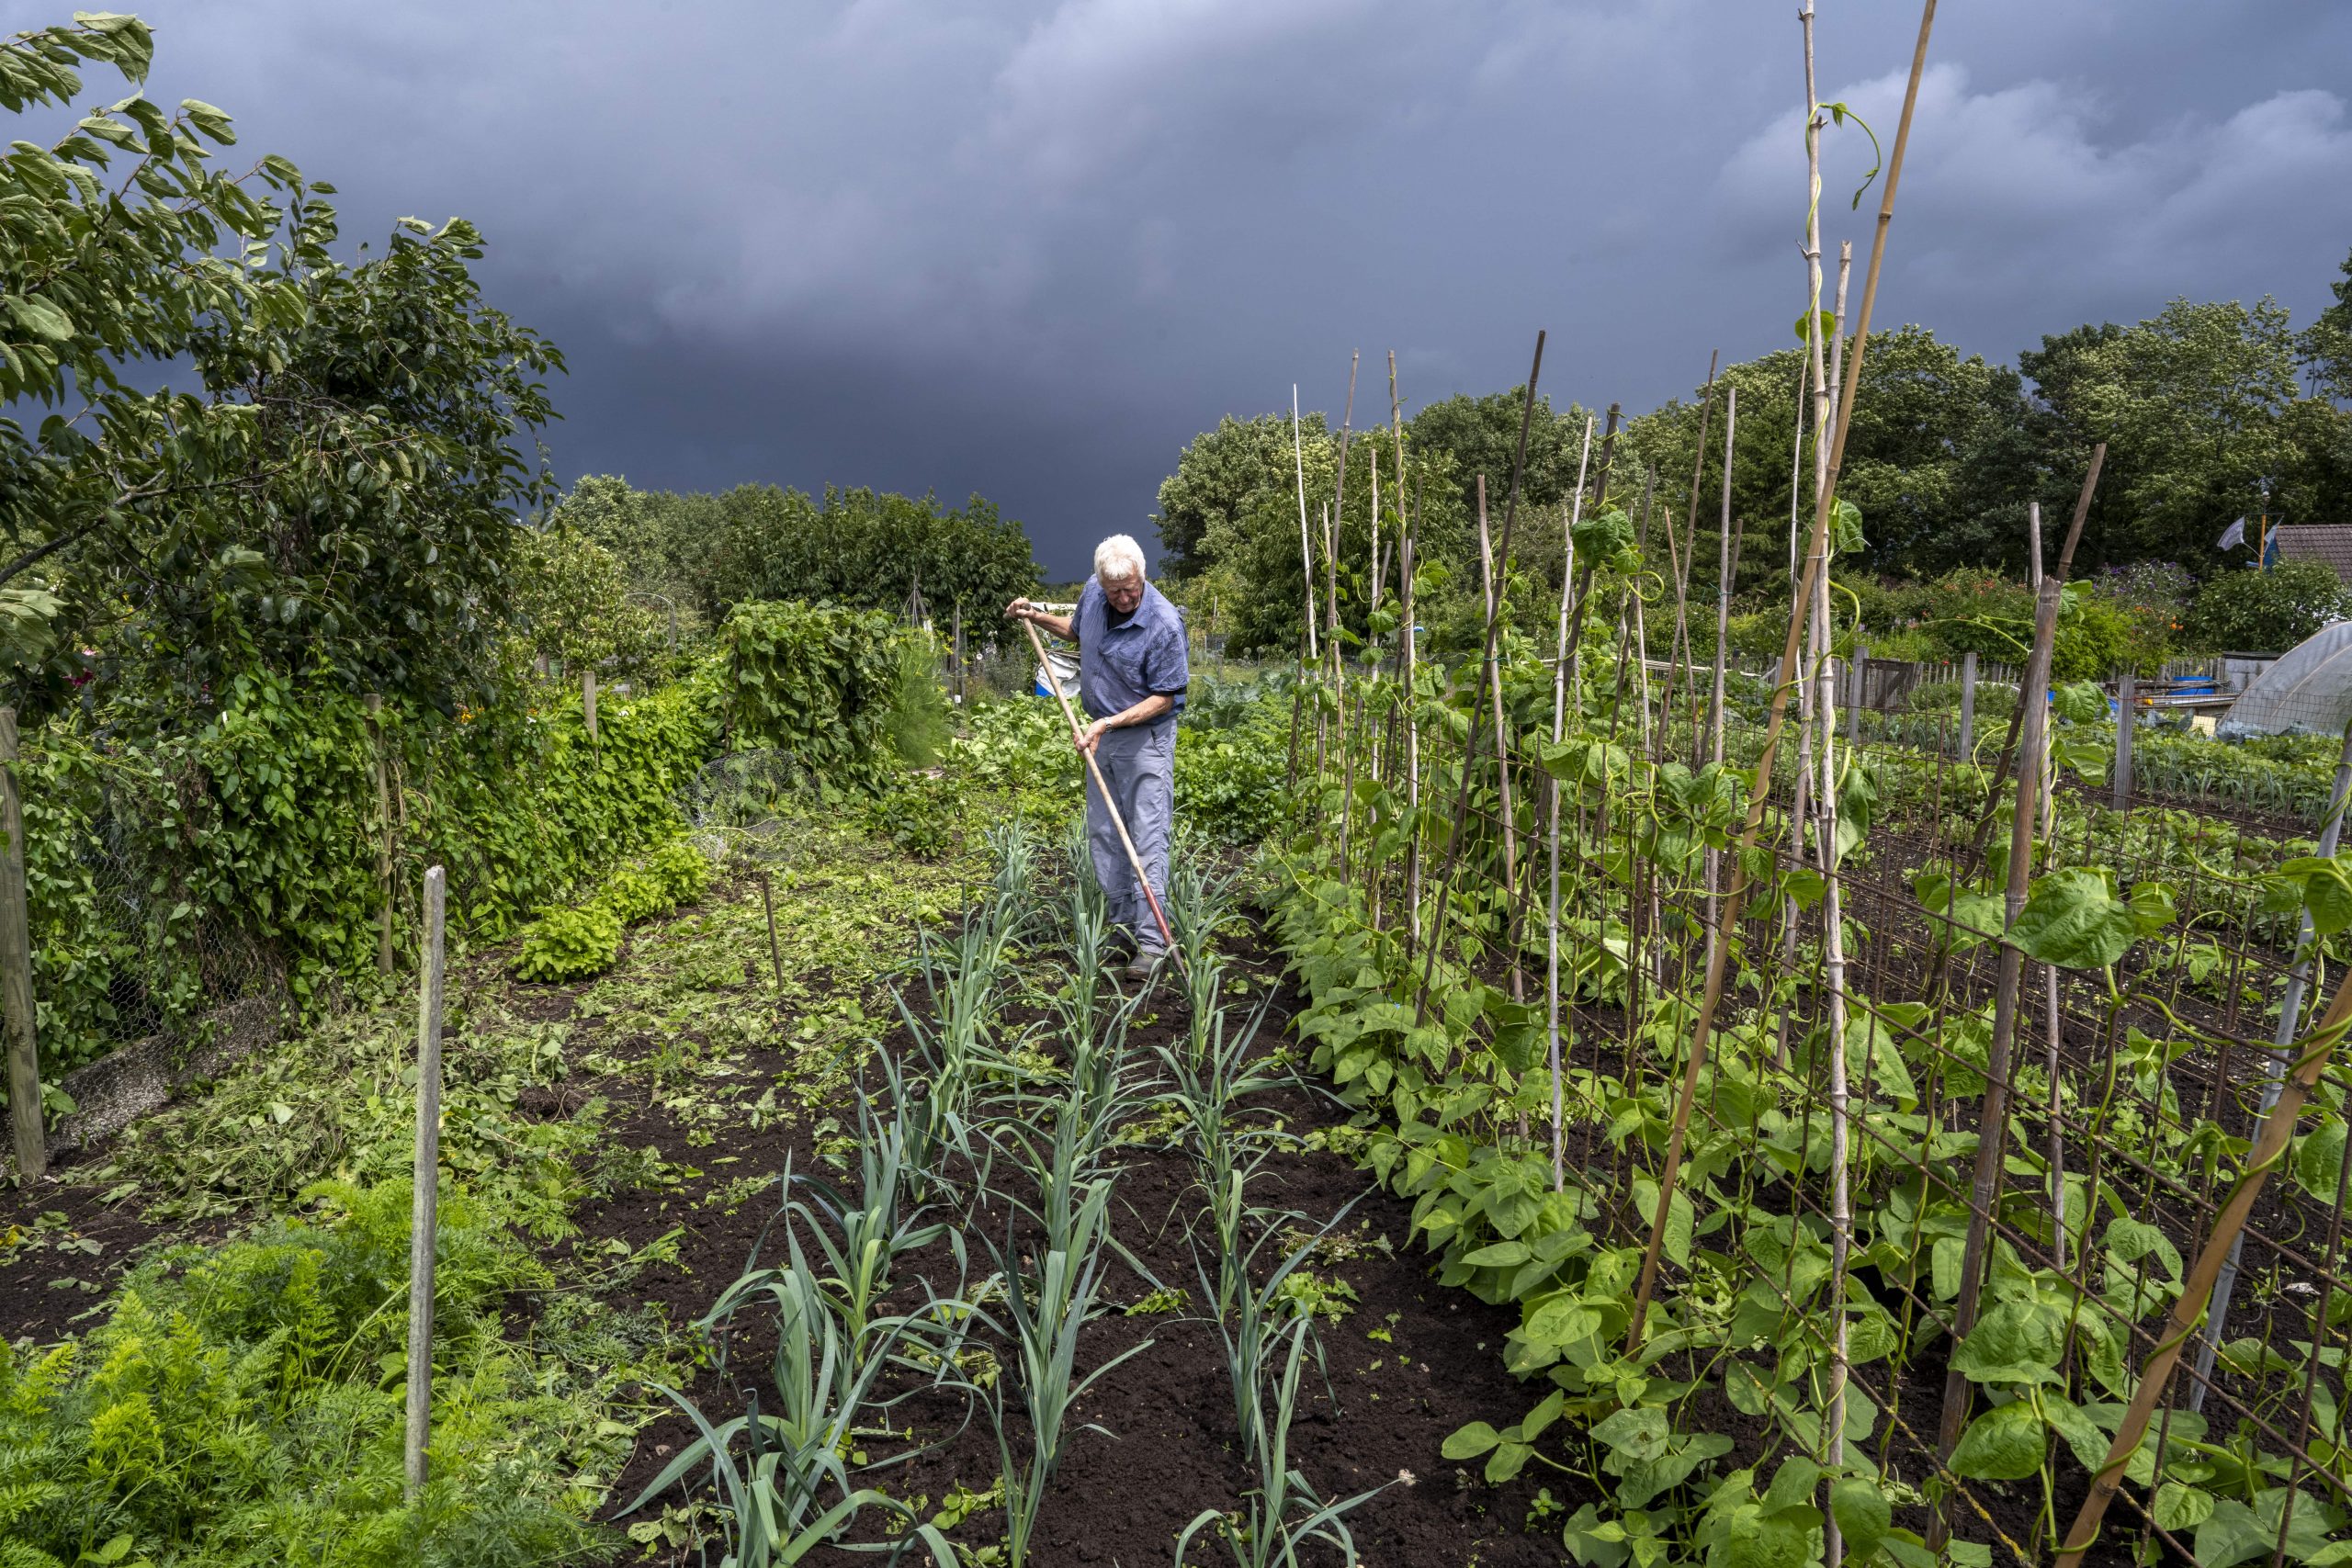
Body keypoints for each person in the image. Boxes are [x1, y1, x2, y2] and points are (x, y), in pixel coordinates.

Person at [1007, 535, 1189, 976]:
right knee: (1106, 836)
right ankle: (1122, 931)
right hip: (1099, 737)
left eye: (1130, 588)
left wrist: (1106, 723)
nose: (1124, 598)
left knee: (1145, 838)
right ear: (1101, 583)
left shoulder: (1162, 624)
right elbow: (1077, 631)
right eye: (1115, 591)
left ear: (1142, 576)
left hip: (1144, 740)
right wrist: (1035, 616)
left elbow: (1166, 697)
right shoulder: (1094, 590)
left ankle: (1151, 945)